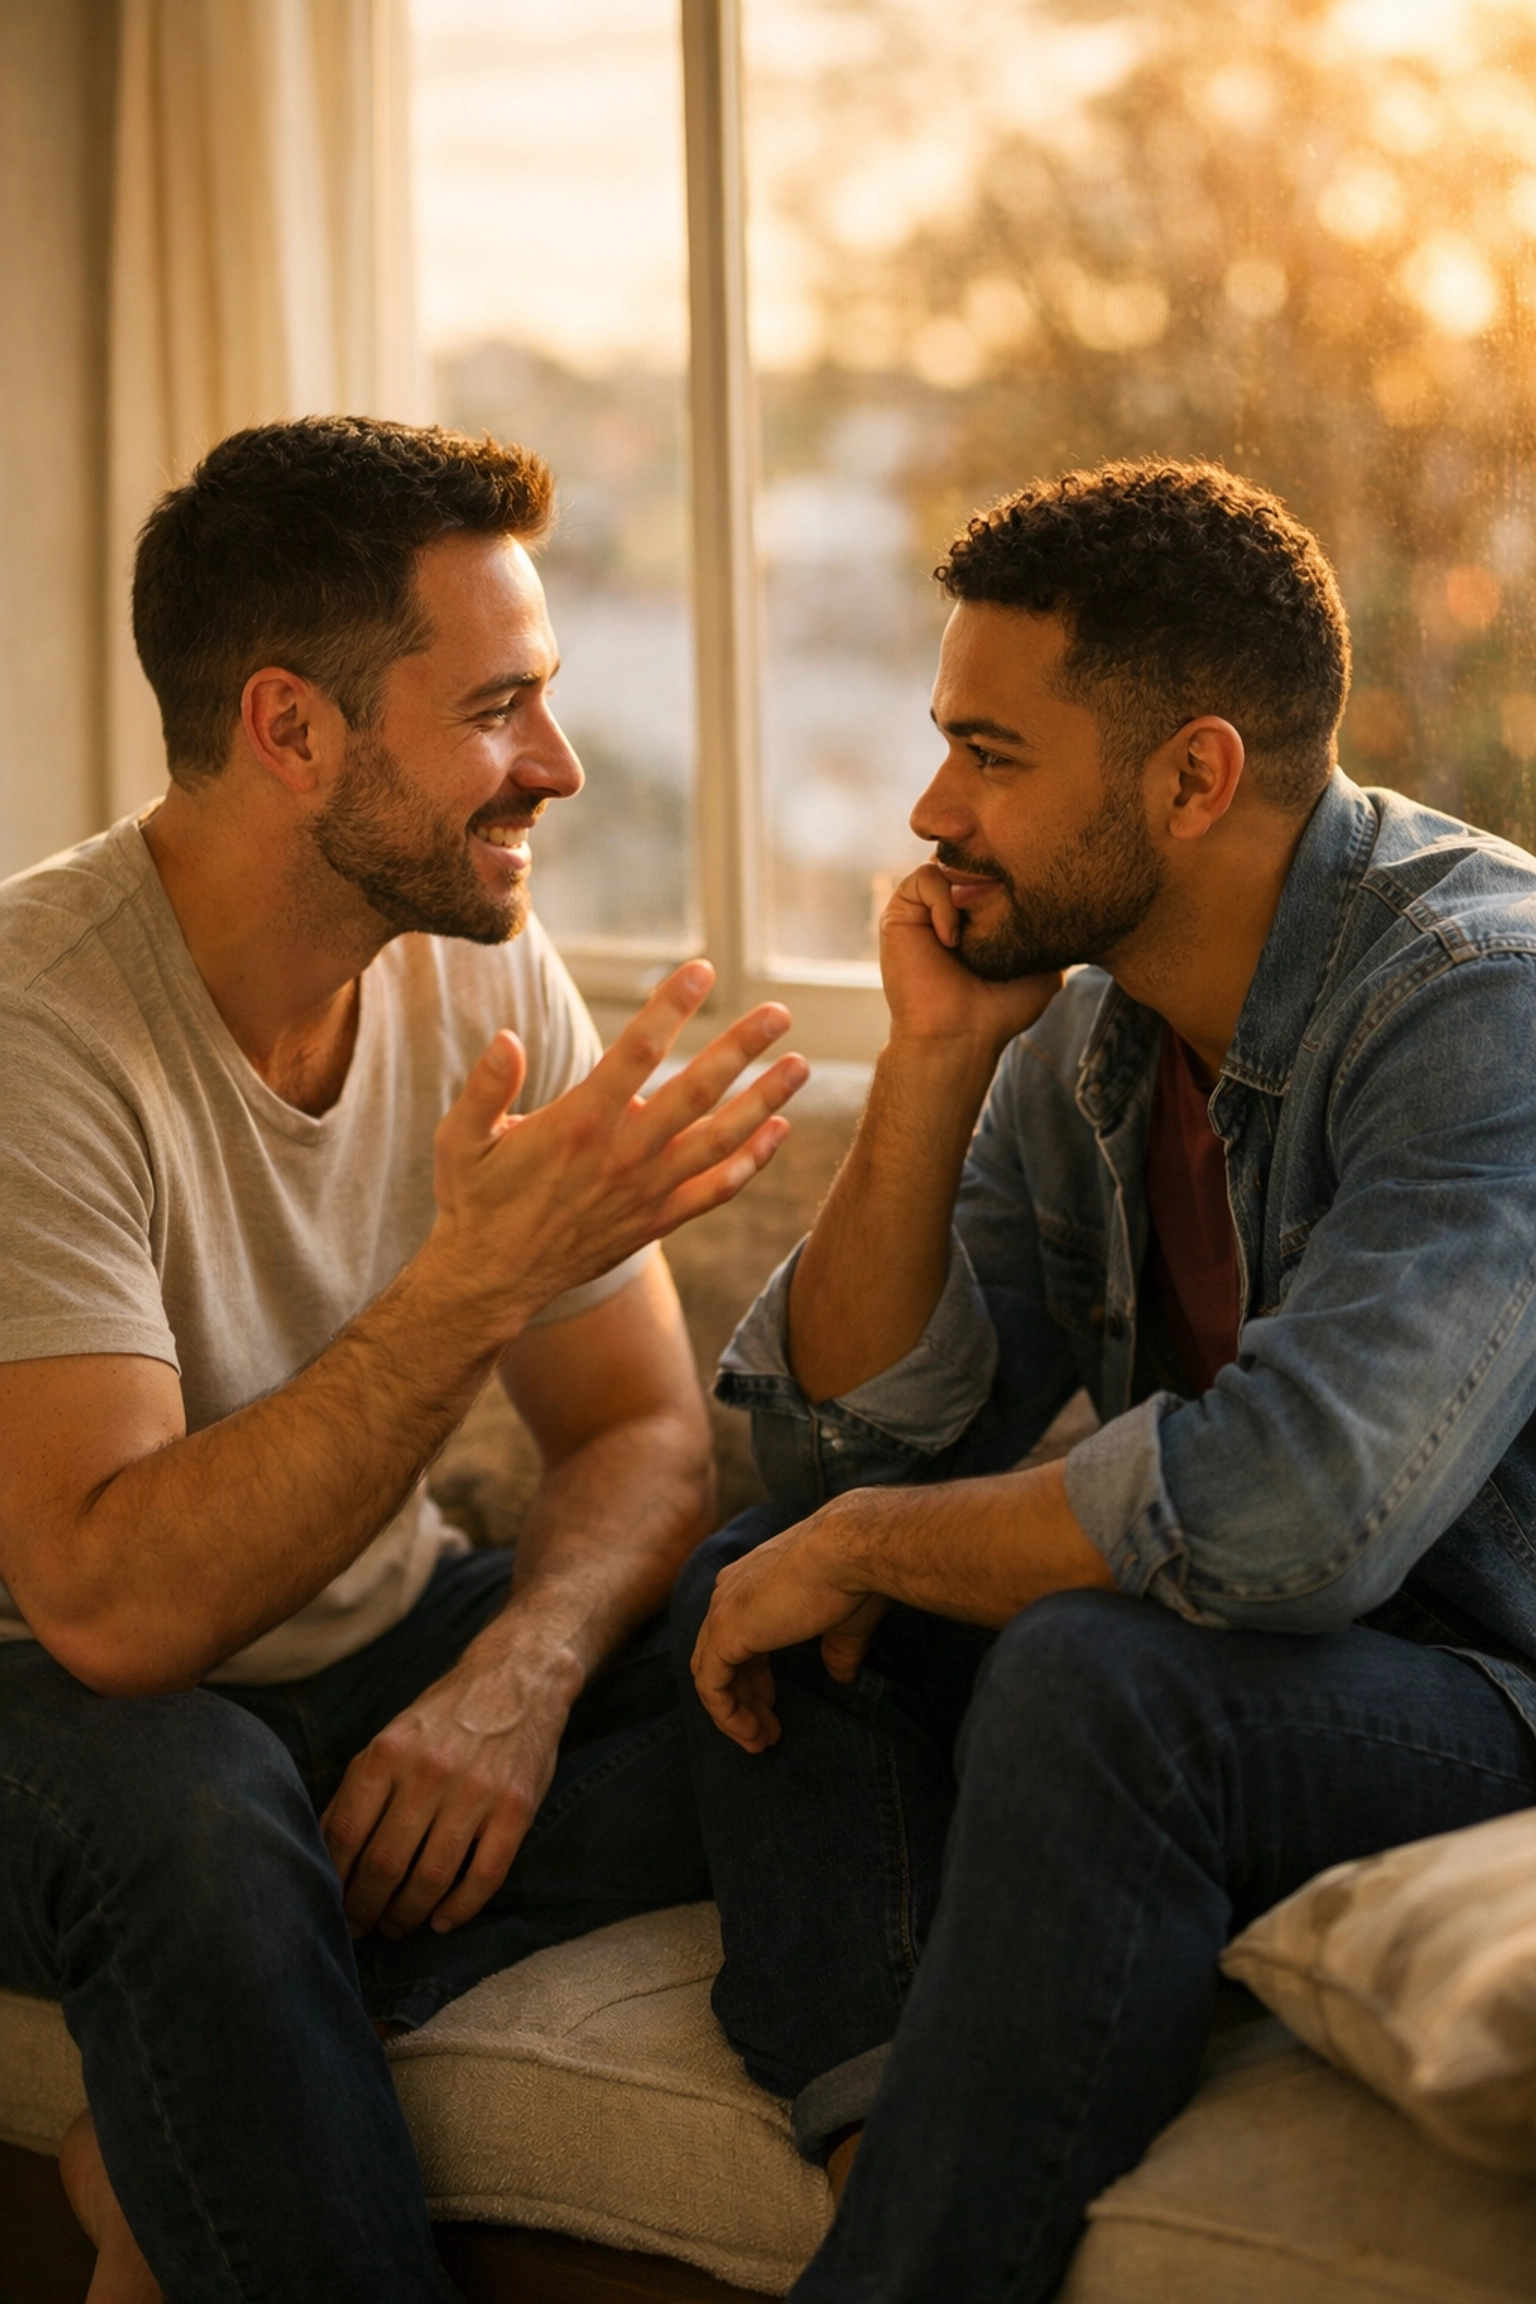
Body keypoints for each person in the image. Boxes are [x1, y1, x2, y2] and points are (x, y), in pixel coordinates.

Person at [674, 458, 1536, 2303]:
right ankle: (887, 2145)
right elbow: (817, 1467)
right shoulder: (1091, 1038)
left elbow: (1305, 1516)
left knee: (1096, 1677)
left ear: (1193, 779)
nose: (929, 806)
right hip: (1262, 1675)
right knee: (739, 1601)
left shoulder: (1483, 1002)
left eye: (991, 754)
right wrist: (922, 1072)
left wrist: (881, 1542)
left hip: (1492, 1695)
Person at [0, 415, 807, 2304]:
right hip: (65, 1705)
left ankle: (218, 2071)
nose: (559, 763)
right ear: (292, 731)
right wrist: (466, 1288)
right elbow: (113, 1612)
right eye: (498, 706)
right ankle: (241, 2012)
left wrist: (517, 1677)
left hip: (375, 1648)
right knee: (199, 1815)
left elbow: (631, 1427)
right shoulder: (40, 1035)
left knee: (820, 1625)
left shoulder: (470, 951)